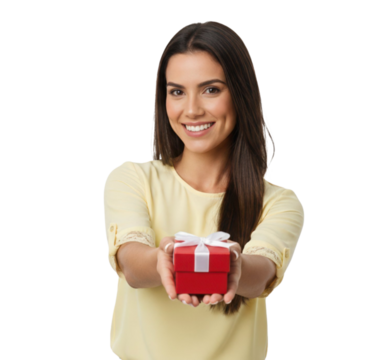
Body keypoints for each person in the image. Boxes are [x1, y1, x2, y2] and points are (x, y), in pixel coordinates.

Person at [103, 20, 305, 360]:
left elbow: (258, 277)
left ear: (240, 94)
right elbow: (133, 265)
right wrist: (161, 260)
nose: (192, 109)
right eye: (177, 91)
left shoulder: (280, 203)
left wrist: (234, 267)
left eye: (211, 89)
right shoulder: (131, 179)